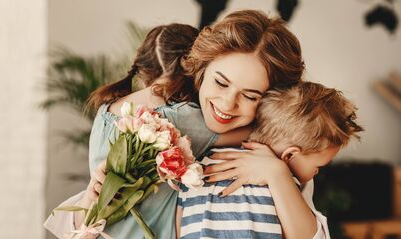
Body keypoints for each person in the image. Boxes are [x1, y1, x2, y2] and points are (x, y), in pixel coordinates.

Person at [45, 9, 310, 238]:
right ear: (200, 70)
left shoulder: (112, 112)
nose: (228, 104)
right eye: (220, 82)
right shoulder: (179, 122)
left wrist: (277, 172)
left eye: (251, 96)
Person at [176, 81, 364, 239]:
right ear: (289, 155)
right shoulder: (286, 184)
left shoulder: (200, 164)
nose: (316, 172)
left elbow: (178, 219)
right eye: (318, 166)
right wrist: (279, 174)